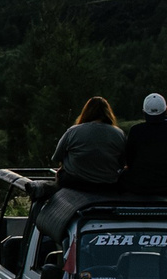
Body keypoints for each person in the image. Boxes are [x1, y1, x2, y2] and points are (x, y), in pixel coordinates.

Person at [35, 96, 124, 251]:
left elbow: (57, 157)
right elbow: (123, 162)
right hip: (107, 185)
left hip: (74, 182)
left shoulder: (73, 132)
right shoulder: (119, 134)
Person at [119, 93, 167, 197]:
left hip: (138, 186)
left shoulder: (136, 131)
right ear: (166, 110)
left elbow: (129, 160)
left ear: (144, 112)